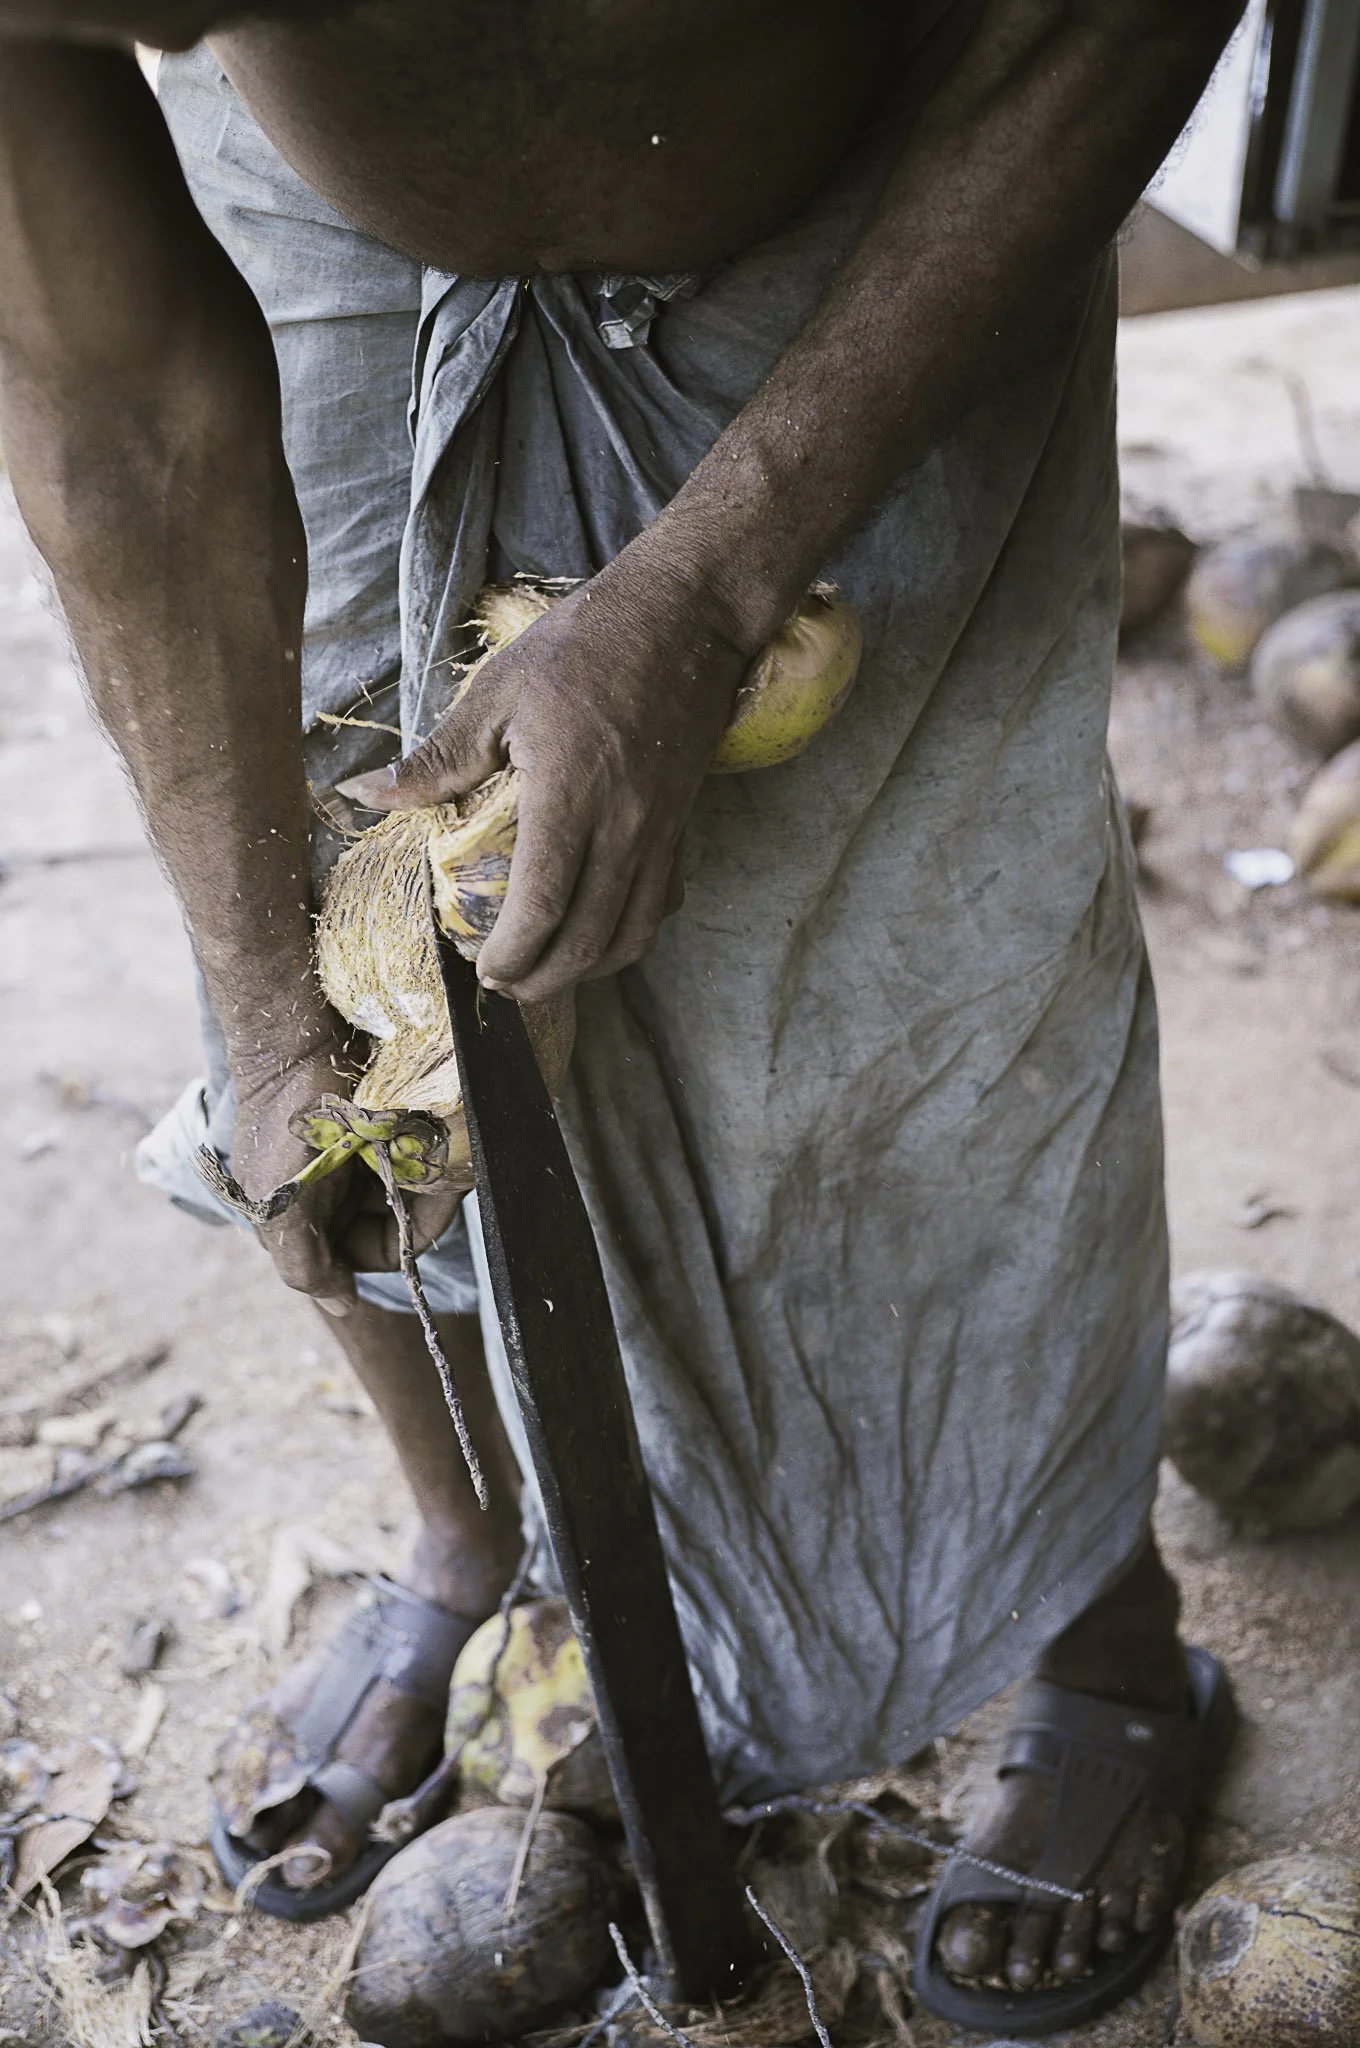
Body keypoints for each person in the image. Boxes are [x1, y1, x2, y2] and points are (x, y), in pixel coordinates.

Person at [0, 0, 1242, 2029]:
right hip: (319, 222)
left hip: (902, 131)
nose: (151, 34)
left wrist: (703, 588)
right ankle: (468, 1528)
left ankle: (1082, 1616)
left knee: (928, 919)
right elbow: (120, 415)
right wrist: (256, 1005)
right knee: (346, 965)